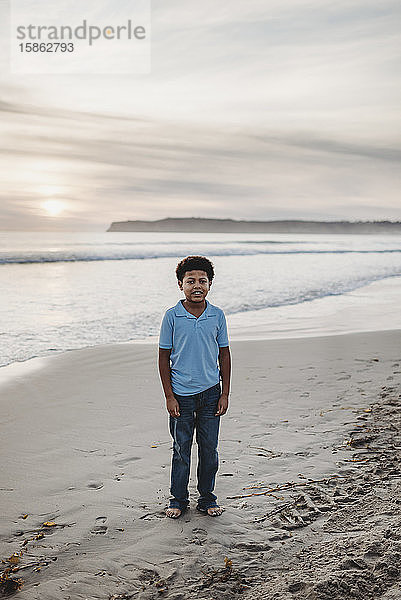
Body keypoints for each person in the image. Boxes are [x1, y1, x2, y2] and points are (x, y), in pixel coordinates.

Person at [158, 255, 231, 518]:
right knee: (181, 450)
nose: (196, 285)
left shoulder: (217, 315)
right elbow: (163, 358)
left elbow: (224, 354)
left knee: (209, 449)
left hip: (211, 393)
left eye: (202, 280)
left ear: (210, 285)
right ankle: (177, 500)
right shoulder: (172, 317)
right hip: (181, 396)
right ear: (180, 284)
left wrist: (224, 393)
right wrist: (169, 396)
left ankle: (207, 498)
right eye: (190, 281)